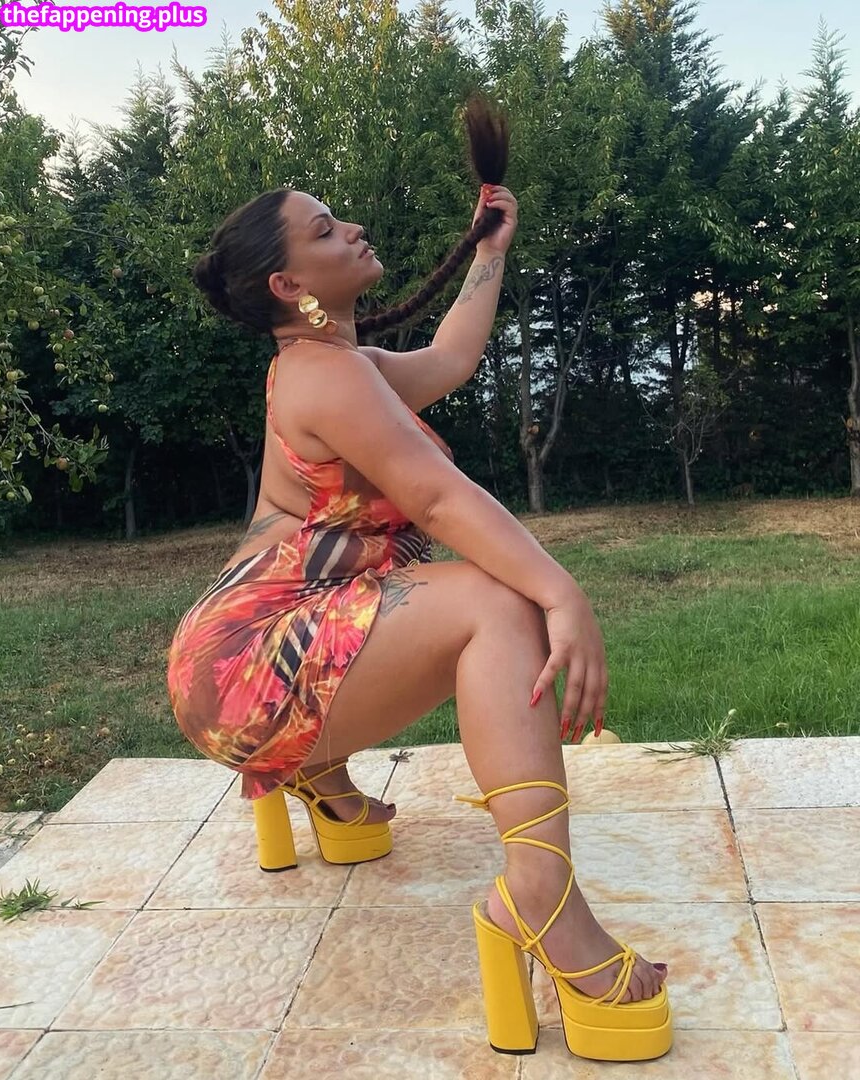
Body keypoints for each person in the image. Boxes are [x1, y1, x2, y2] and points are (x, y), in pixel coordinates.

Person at [167, 102, 671, 1063]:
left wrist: (489, 253)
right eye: (326, 229)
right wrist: (561, 592)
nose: (353, 228)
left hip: (245, 651)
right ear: (289, 285)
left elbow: (449, 359)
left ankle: (317, 778)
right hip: (248, 667)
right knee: (496, 601)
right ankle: (543, 903)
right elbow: (435, 498)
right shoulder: (324, 375)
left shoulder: (337, 362)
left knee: (478, 589)